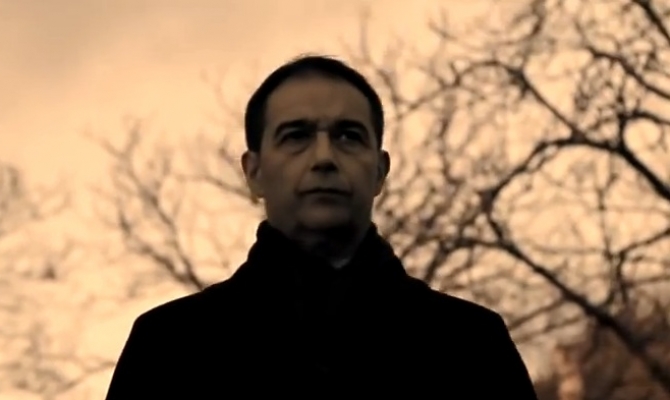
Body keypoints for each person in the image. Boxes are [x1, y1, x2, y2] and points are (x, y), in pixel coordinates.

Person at [105, 54, 539, 399]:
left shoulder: (470, 345)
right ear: (254, 172)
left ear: (380, 171)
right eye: (296, 136)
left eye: (349, 135)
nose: (324, 157)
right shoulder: (171, 348)